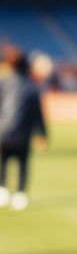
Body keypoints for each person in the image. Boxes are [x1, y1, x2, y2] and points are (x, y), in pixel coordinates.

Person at [0, 43, 48, 211]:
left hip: (3, 133)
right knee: (22, 164)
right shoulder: (31, 87)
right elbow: (38, 114)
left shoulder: (3, 83)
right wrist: (42, 135)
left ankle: (3, 189)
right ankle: (20, 194)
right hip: (22, 134)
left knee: (3, 162)